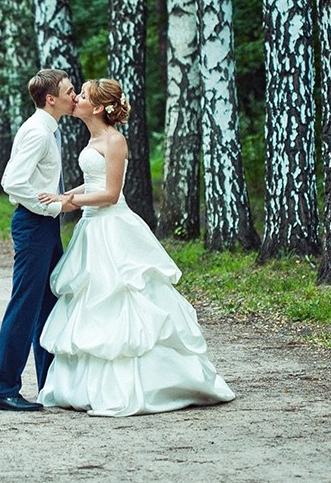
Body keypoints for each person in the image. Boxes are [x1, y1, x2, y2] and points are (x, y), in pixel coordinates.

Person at [35, 78, 235, 417]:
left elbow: (111, 193)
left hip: (112, 225)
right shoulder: (94, 137)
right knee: (92, 301)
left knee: (124, 296)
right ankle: (83, 387)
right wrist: (69, 197)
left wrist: (69, 201)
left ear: (97, 107)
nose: (76, 100)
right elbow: (94, 181)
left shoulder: (115, 140)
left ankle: (151, 385)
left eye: (82, 96)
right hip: (91, 227)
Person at [0, 69, 80, 411]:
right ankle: (4, 390)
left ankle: (49, 385)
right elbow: (12, 181)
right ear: (51, 99)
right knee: (24, 306)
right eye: (69, 91)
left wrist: (54, 202)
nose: (75, 96)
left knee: (48, 304)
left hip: (45, 226)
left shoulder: (48, 129)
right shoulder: (38, 132)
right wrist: (50, 203)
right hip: (33, 224)